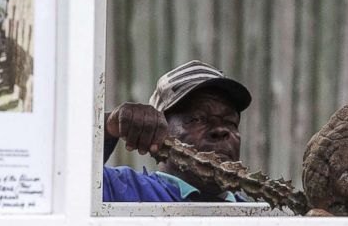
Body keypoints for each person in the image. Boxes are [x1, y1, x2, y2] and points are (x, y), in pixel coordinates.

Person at [102, 60, 252, 203]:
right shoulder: (122, 190)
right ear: (156, 132)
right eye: (198, 119)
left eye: (230, 122)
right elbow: (79, 173)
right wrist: (108, 125)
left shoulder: (257, 216)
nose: (220, 130)